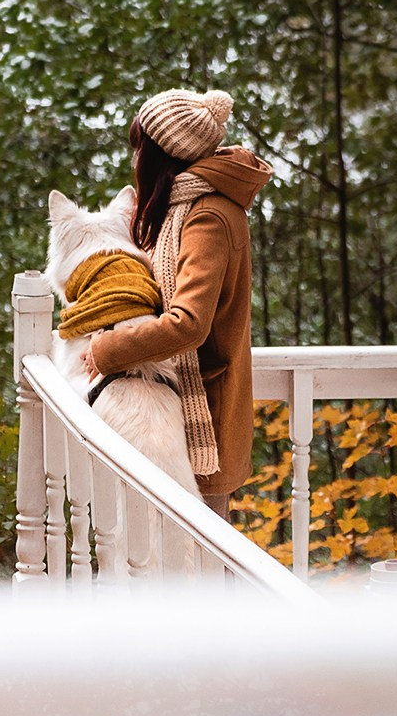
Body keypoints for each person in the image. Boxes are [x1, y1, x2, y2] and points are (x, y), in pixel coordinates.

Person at [78, 89, 273, 519]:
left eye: (139, 148)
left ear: (160, 154)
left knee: (204, 560)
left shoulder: (208, 216)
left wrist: (106, 351)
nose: (133, 161)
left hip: (203, 412)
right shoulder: (183, 207)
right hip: (176, 403)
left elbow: (188, 323)